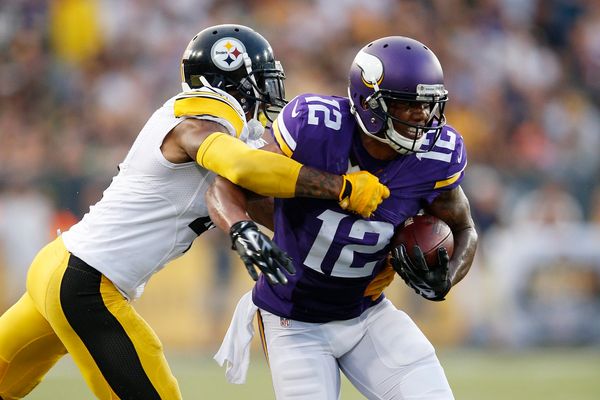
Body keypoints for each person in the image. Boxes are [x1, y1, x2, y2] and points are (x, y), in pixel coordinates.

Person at [0, 24, 390, 400]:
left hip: (61, 267)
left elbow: (266, 200)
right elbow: (243, 167)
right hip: (85, 282)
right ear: (233, 78)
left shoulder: (226, 129)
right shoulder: (200, 119)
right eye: (263, 79)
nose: (271, 92)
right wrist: (342, 187)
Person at [207, 36, 478, 399]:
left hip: (368, 314)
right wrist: (241, 229)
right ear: (368, 103)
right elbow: (226, 187)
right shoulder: (314, 128)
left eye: (429, 105)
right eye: (407, 105)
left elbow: (465, 228)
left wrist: (447, 277)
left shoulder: (437, 155)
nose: (422, 117)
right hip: (294, 320)